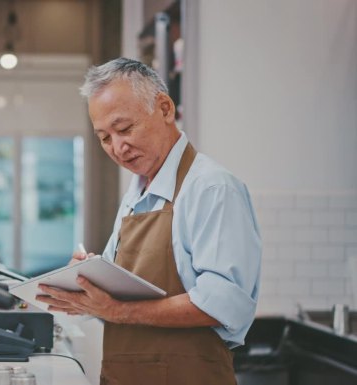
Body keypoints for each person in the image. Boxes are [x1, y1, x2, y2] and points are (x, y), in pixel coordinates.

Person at [36, 58, 261, 385]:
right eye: (104, 137)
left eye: (124, 129)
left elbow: (223, 304)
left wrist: (116, 310)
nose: (117, 148)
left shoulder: (212, 188)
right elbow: (119, 292)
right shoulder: (137, 194)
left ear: (165, 108)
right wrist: (83, 283)